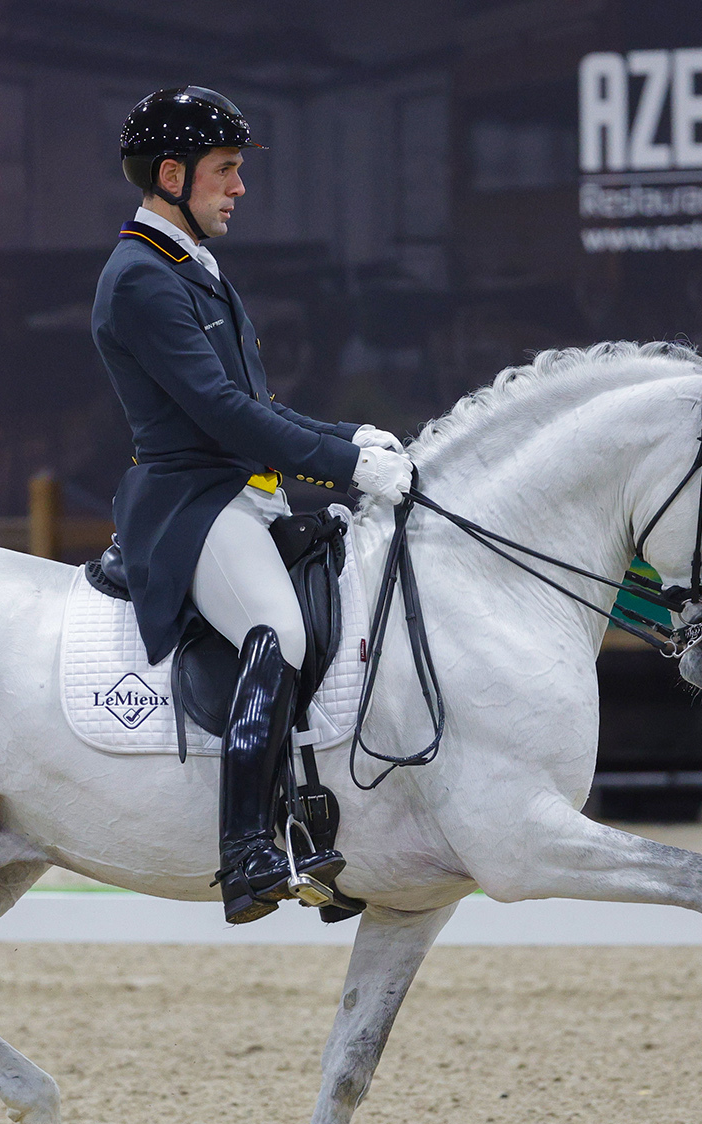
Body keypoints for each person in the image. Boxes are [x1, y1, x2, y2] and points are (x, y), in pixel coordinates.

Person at [92, 86, 414, 926]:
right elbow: (224, 416)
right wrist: (345, 464)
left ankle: (317, 817)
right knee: (283, 630)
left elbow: (256, 405)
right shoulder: (140, 279)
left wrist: (355, 436)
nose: (239, 187)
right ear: (172, 174)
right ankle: (246, 850)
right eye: (225, 171)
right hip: (193, 506)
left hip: (245, 494)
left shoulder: (192, 269)